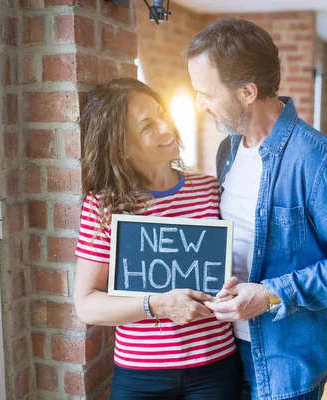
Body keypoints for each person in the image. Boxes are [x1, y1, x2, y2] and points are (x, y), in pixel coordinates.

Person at [184, 19, 327, 400]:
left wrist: (270, 294)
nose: (199, 104)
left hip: (285, 360)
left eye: (205, 93)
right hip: (224, 348)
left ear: (247, 91)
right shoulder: (228, 150)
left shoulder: (319, 162)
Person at [73, 78, 242, 399]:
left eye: (163, 114)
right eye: (148, 125)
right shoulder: (105, 206)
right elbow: (86, 305)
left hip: (215, 365)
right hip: (141, 374)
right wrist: (157, 304)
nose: (166, 127)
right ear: (120, 144)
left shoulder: (209, 190)